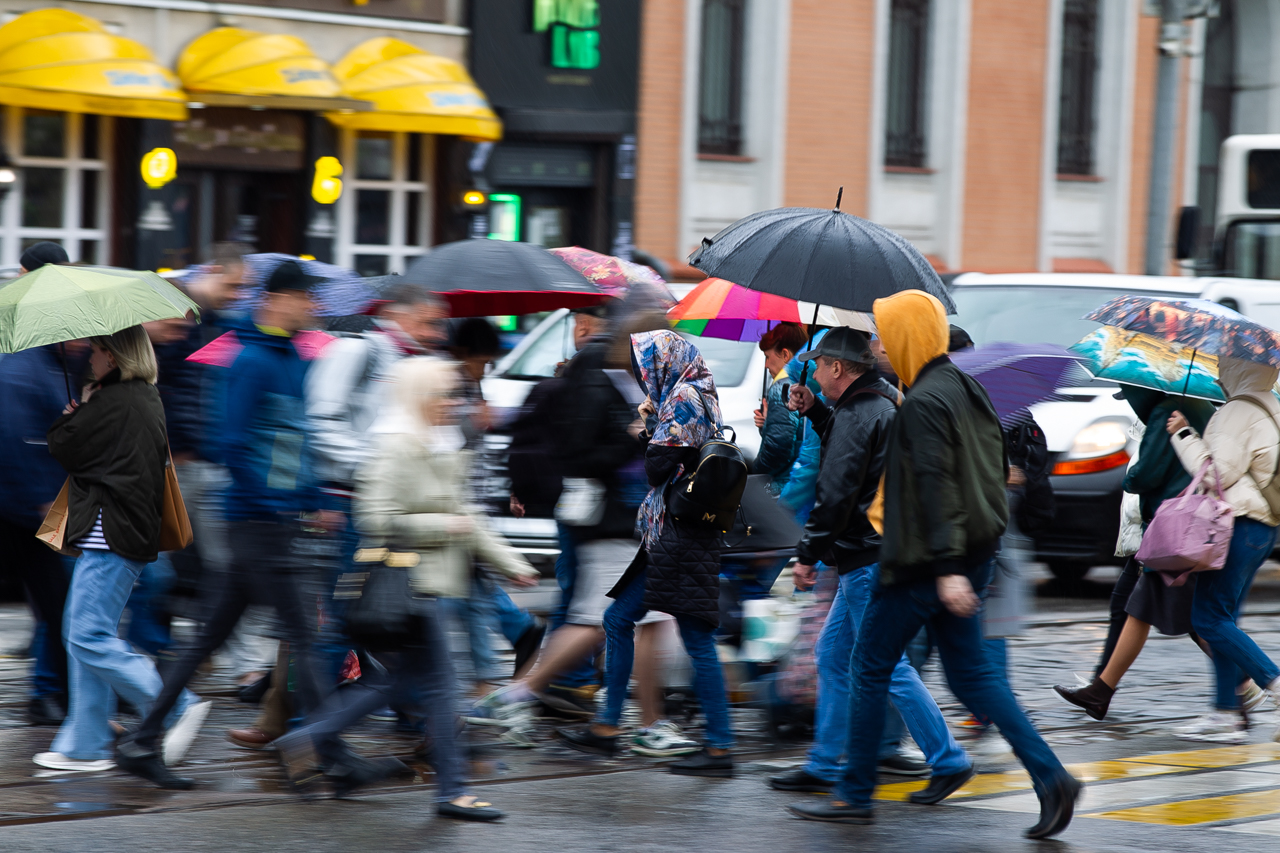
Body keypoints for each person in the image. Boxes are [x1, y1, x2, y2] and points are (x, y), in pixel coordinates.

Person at [787, 290, 1081, 840]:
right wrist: (970, 561)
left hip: (927, 562)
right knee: (974, 678)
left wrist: (945, 568)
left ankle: (853, 795)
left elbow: (934, 484)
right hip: (972, 556)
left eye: (881, 335)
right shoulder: (964, 387)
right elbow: (993, 469)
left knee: (868, 666)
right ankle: (1053, 777)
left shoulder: (922, 402)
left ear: (906, 336)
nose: (875, 346)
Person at [275, 357, 535, 816]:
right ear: (420, 398)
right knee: (438, 685)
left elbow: (467, 521)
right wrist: (443, 525)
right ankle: (451, 792)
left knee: (401, 683)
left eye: (453, 394)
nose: (453, 403)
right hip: (408, 587)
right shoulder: (394, 447)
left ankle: (304, 738)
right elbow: (374, 519)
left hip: (429, 587)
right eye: (443, 394)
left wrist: (512, 564)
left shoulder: (438, 444)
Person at [115, 260, 333, 788]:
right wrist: (282, 501)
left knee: (210, 638)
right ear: (278, 299)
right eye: (306, 298)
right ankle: (335, 750)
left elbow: (290, 443)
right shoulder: (253, 359)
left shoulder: (291, 358)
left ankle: (143, 740)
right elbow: (231, 443)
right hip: (259, 523)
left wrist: (315, 495)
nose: (313, 307)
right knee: (307, 635)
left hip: (267, 520)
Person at [768, 327, 970, 799]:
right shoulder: (873, 402)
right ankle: (823, 762)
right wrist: (816, 410)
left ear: (838, 368)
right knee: (833, 657)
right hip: (868, 554)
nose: (814, 373)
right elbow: (852, 458)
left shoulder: (860, 412)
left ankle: (948, 758)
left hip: (866, 558)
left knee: (885, 665)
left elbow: (837, 491)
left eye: (819, 366)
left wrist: (807, 554)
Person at [558, 330, 735, 774]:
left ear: (666, 363)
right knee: (623, 620)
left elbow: (659, 466)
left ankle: (717, 747)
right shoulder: (699, 391)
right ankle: (609, 727)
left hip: (680, 535)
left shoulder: (683, 398)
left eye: (646, 365)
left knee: (689, 635)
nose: (641, 373)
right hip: (679, 534)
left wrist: (645, 430)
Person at [35, 326, 206, 773]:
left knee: (86, 637)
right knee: (85, 637)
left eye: (95, 350)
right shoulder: (142, 396)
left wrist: (79, 409)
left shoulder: (113, 400)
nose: (89, 357)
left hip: (109, 533)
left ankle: (175, 704)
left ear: (113, 356)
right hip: (121, 533)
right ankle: (85, 743)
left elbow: (64, 447)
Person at [1053, 385, 1216, 722]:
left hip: (1170, 531)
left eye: (1128, 395)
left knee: (1198, 621)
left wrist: (1131, 476)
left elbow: (1145, 475)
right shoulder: (1201, 407)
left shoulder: (1164, 411)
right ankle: (1101, 690)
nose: (1128, 402)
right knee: (1135, 607)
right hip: (1180, 528)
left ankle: (1251, 682)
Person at [1166, 356, 1280, 741]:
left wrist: (1183, 435)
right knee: (1223, 621)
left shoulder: (1237, 411)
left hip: (1236, 524)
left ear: (1240, 371)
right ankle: (1225, 713)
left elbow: (1217, 474)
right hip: (1261, 529)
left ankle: (1271, 682)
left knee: (1209, 620)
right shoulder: (1272, 404)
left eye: (1224, 367)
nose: (1218, 375)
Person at [0, 341, 86, 725]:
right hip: (31, 510)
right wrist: (39, 500)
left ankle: (59, 695)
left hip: (43, 505)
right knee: (57, 605)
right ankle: (55, 696)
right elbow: (17, 434)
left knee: (56, 607)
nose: (85, 338)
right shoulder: (21, 367)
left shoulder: (55, 363)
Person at [753, 323, 807, 495]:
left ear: (785, 354)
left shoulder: (782, 388)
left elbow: (778, 448)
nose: (765, 365)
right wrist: (767, 424)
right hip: (803, 483)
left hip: (783, 488)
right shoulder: (810, 382)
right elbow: (794, 432)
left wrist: (754, 473)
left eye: (768, 357)